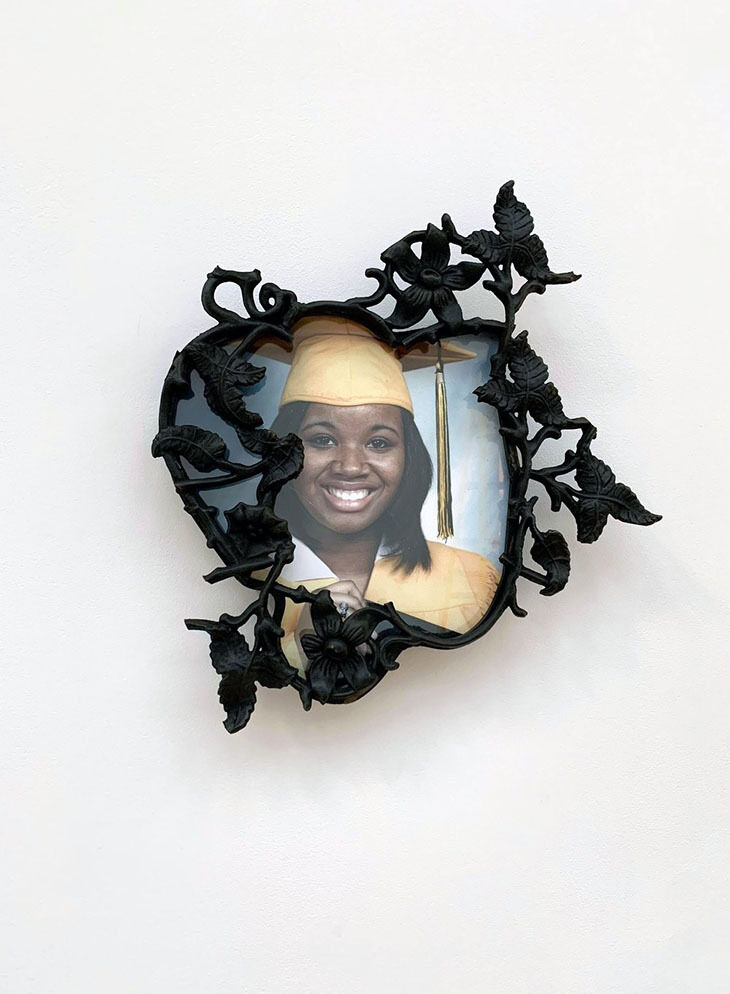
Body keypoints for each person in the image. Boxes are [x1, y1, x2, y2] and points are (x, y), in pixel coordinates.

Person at [263, 315, 501, 671]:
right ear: (284, 452)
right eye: (322, 440)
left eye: (378, 443)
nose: (350, 466)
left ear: (409, 457)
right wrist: (301, 646)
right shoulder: (254, 574)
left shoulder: (466, 580)